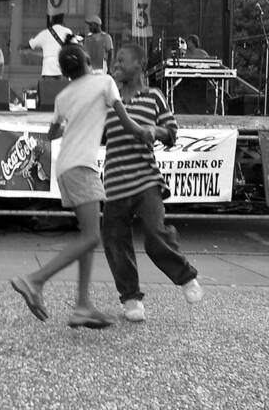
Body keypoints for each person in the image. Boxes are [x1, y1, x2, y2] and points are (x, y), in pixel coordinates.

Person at [10, 44, 151, 328]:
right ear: (89, 60)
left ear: (64, 72)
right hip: (82, 167)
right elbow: (125, 122)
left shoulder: (63, 96)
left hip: (64, 167)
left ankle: (83, 305)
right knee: (92, 238)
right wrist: (143, 132)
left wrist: (74, 122)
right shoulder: (104, 82)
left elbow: (52, 133)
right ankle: (34, 280)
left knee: (88, 234)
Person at [102, 43, 204, 322]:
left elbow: (172, 133)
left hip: (146, 179)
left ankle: (185, 277)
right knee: (114, 239)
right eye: (115, 61)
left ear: (139, 65)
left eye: (122, 60)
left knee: (155, 234)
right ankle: (131, 299)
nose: (116, 64)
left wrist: (154, 130)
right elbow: (97, 134)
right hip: (115, 183)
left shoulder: (154, 96)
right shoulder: (109, 99)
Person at [20, 14, 75, 79]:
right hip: (63, 66)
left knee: (47, 88)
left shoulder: (45, 33)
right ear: (63, 21)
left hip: (48, 69)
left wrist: (24, 48)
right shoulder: (68, 31)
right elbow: (75, 48)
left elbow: (30, 45)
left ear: (51, 20)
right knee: (64, 88)